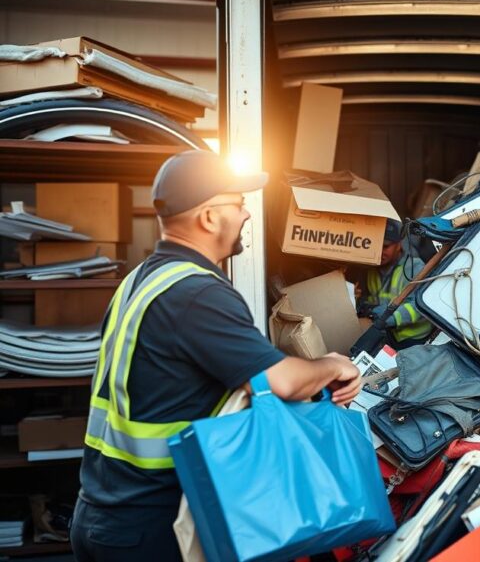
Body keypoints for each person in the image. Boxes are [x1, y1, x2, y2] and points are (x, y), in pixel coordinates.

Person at [71, 151, 363, 562]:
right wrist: (333, 365)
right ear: (209, 217)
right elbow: (280, 382)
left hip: (103, 513)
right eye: (238, 203)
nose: (245, 215)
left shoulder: (141, 278)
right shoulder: (197, 293)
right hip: (153, 528)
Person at [358, 219, 432, 349]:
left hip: (413, 339)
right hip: (387, 334)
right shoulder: (372, 270)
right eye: (377, 245)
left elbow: (420, 306)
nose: (380, 252)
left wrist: (388, 319)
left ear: (399, 245)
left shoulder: (415, 267)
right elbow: (374, 298)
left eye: (385, 247)